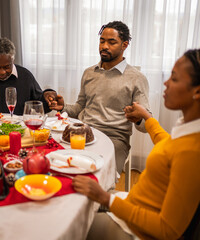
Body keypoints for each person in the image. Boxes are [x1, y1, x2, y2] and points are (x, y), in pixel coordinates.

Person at [73, 49, 200, 240]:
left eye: (174, 79)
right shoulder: (188, 130)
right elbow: (168, 146)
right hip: (133, 204)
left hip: (134, 230)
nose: (165, 83)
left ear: (197, 91)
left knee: (71, 224)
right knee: (76, 199)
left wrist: (106, 198)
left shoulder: (193, 152)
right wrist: (148, 118)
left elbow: (168, 230)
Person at [49, 21, 150, 175]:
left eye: (111, 42)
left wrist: (138, 118)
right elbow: (79, 107)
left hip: (115, 139)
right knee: (56, 165)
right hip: (84, 133)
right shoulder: (89, 73)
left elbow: (145, 126)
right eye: (102, 41)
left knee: (96, 177)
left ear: (124, 45)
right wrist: (62, 107)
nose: (104, 46)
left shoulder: (137, 79)